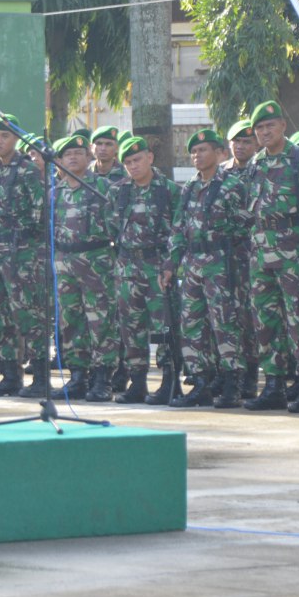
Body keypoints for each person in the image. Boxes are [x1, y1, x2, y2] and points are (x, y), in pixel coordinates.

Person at [244, 100, 299, 412]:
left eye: (270, 126)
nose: (265, 132)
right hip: (260, 253)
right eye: (259, 128)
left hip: (297, 253)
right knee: (266, 321)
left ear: (283, 126)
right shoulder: (255, 165)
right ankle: (274, 385)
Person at [161, 129, 251, 408]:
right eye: (194, 151)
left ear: (219, 153)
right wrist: (171, 263)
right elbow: (178, 228)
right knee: (192, 324)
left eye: (203, 150)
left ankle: (232, 382)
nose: (198, 156)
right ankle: (200, 381)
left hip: (221, 263)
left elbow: (245, 225)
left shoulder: (232, 185)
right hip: (192, 264)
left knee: (225, 322)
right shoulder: (189, 188)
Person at [0, 113, 48, 398]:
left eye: (4, 136)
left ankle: (41, 375)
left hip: (23, 254)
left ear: (16, 139)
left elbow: (39, 212)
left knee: (29, 314)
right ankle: (10, 375)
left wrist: (25, 248)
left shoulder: (27, 170)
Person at [111, 136, 180, 404]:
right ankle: (137, 382)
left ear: (150, 158)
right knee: (131, 327)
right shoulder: (118, 191)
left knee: (164, 326)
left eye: (137, 160)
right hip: (128, 266)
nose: (132, 166)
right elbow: (110, 226)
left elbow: (179, 228)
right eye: (127, 162)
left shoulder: (169, 190)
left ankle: (168, 381)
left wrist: (171, 264)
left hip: (158, 266)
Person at [49, 135, 117, 401]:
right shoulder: (55, 192)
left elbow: (115, 225)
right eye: (68, 154)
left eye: (78, 153)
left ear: (88, 158)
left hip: (96, 261)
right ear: (60, 160)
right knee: (71, 320)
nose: (73, 158)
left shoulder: (102, 187)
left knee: (100, 321)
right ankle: (78, 376)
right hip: (65, 262)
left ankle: (102, 380)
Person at [221, 118, 260, 398]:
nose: (242, 146)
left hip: (256, 256)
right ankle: (228, 374)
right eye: (237, 141)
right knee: (227, 316)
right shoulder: (220, 173)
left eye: (247, 141)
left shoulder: (262, 171)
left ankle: (251, 373)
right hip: (224, 259)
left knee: (251, 317)